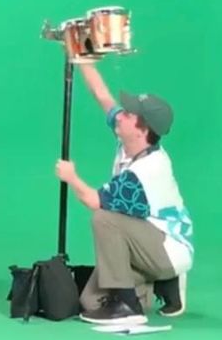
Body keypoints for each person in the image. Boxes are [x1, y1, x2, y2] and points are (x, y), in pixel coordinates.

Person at [55, 59, 193, 325]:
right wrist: (82, 60)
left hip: (167, 247)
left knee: (104, 219)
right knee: (91, 302)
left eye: (129, 115)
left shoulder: (145, 172)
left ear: (142, 130)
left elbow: (94, 201)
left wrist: (71, 177)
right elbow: (103, 97)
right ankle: (161, 283)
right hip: (144, 239)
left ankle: (128, 306)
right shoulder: (130, 141)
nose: (120, 115)